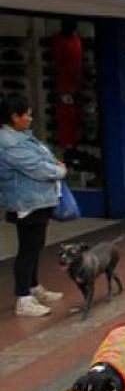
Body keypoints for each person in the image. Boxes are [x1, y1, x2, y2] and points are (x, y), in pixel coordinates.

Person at [0, 95, 66, 317]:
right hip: (26, 203)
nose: (29, 118)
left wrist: (53, 164)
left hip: (38, 201)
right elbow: (38, 168)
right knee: (27, 250)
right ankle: (23, 298)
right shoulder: (8, 142)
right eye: (26, 114)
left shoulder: (23, 137)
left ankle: (34, 287)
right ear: (14, 117)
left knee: (36, 246)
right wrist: (59, 171)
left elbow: (45, 157)